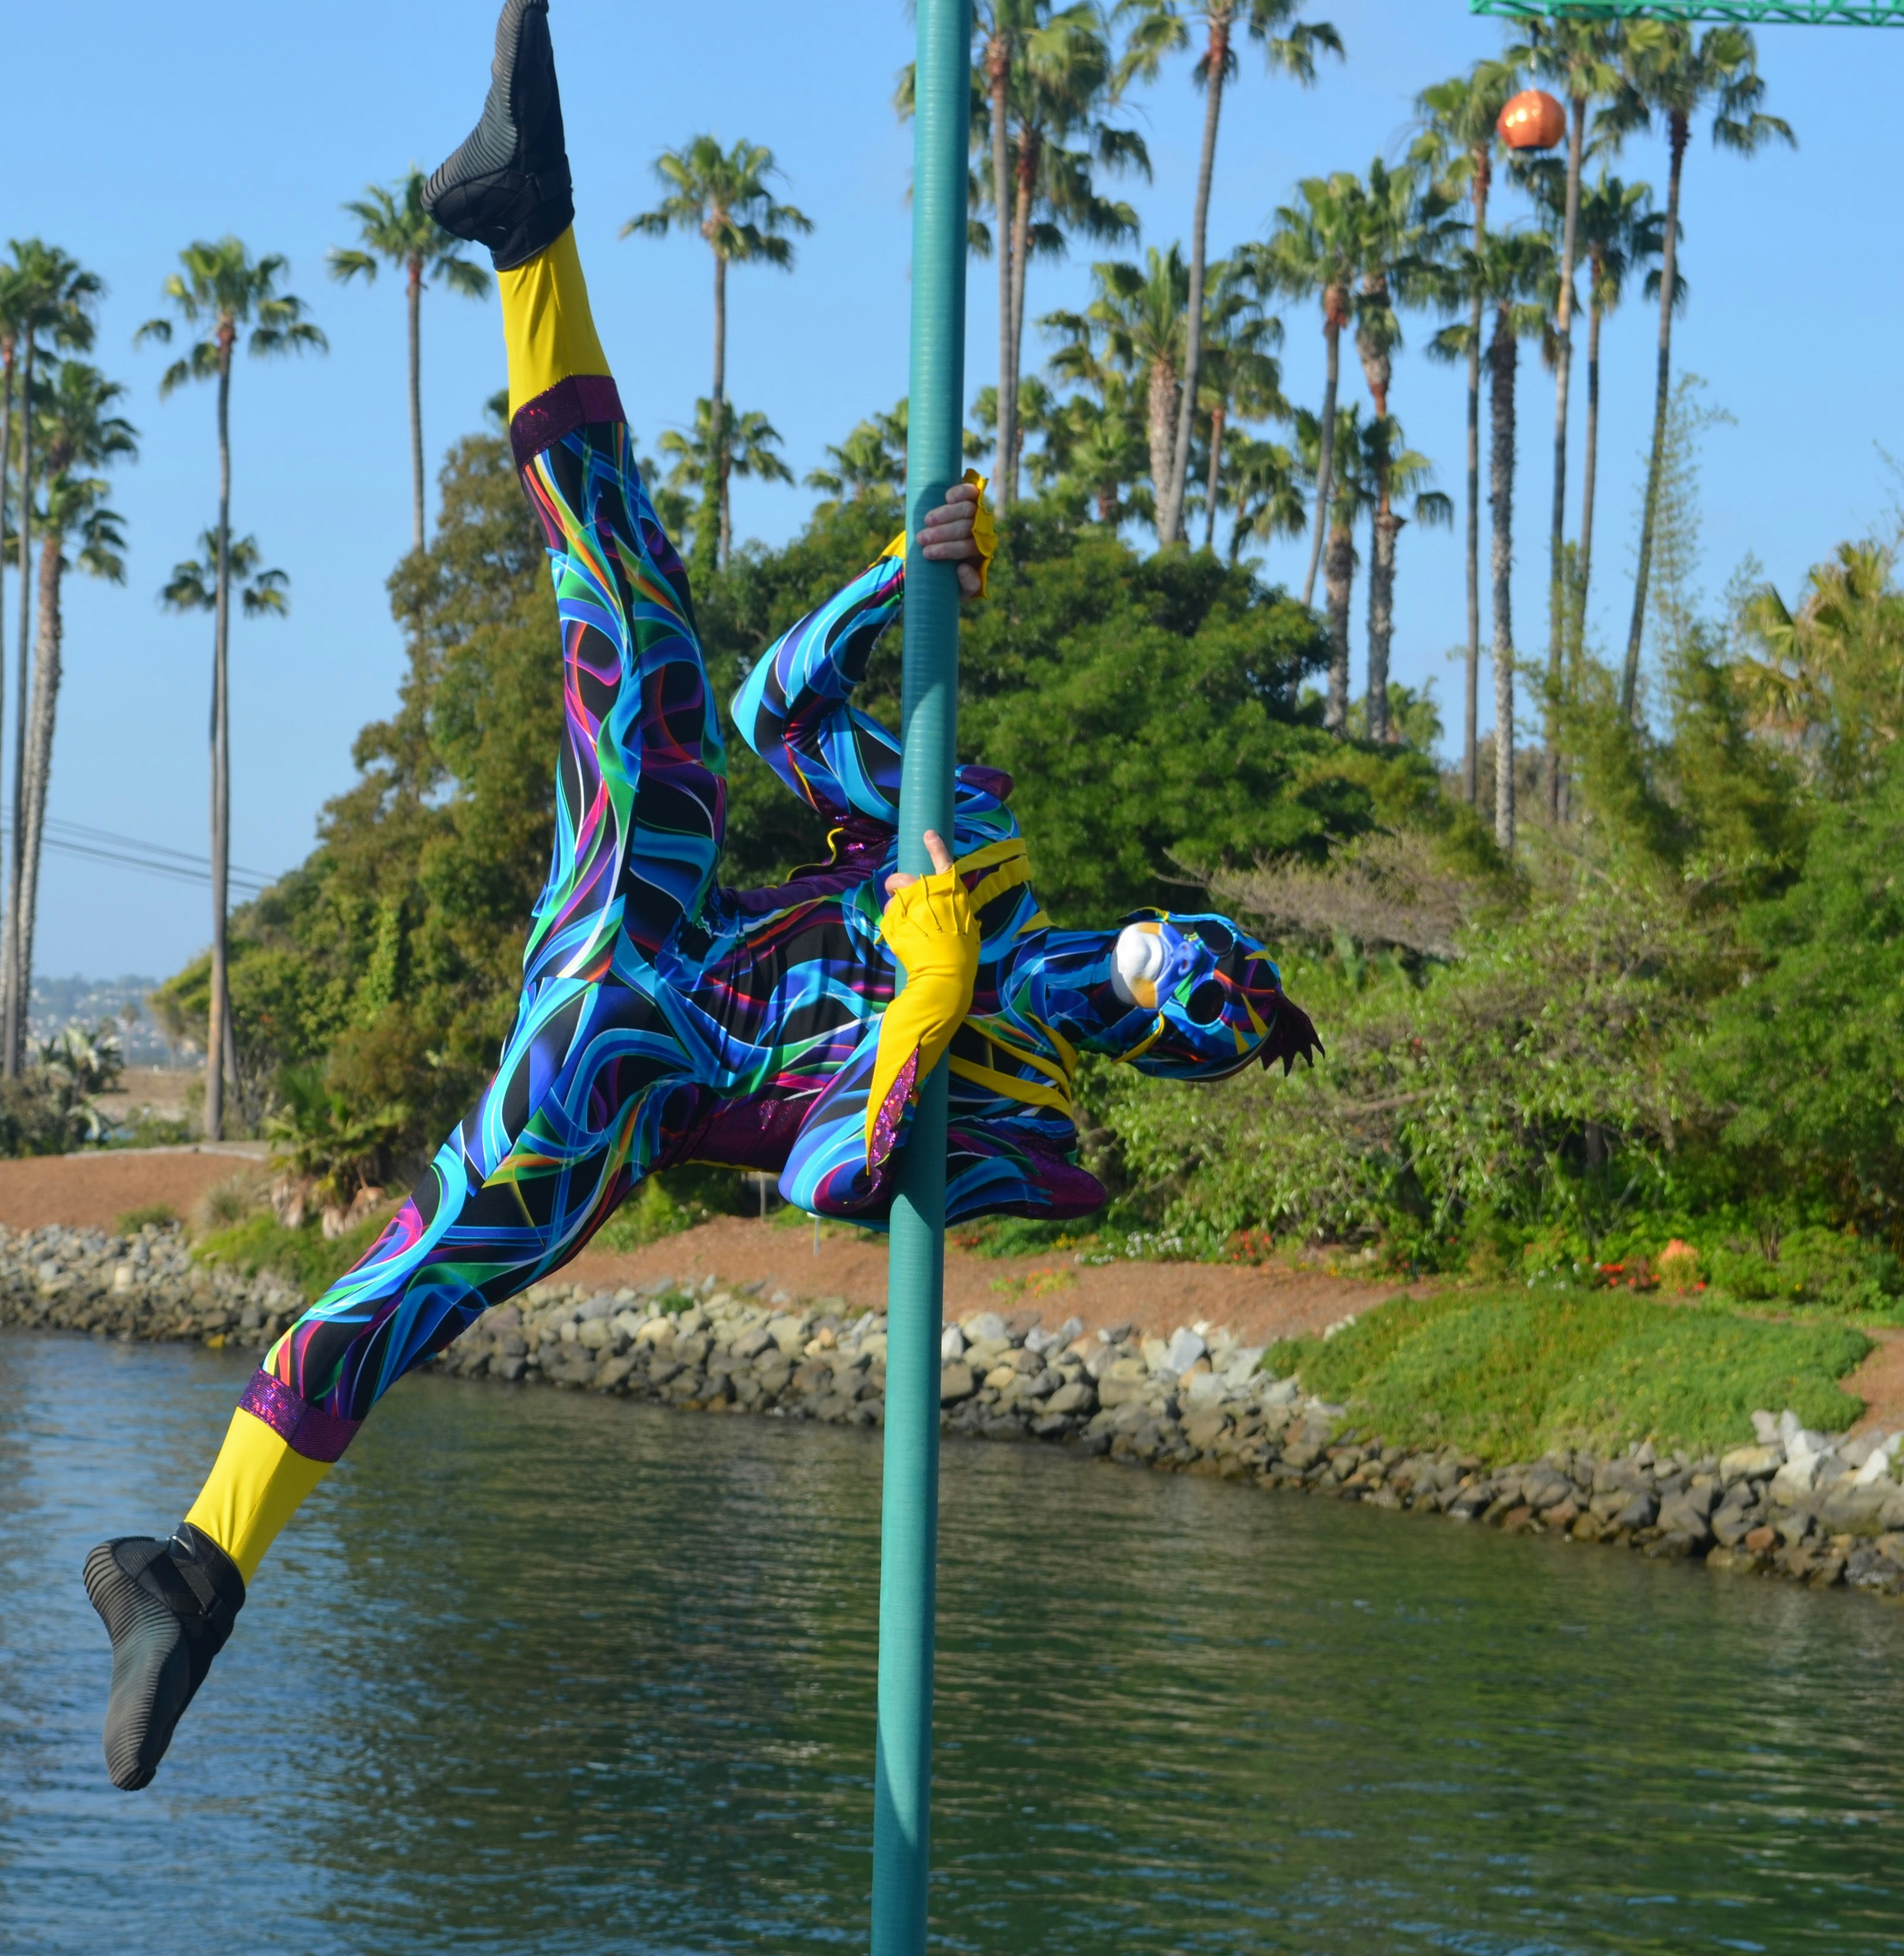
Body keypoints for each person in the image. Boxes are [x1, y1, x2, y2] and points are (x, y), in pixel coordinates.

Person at [83, 0, 1318, 1792]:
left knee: (434, 1256)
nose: (1132, 981)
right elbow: (779, 711)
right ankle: (531, 225)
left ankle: (195, 1570)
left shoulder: (1048, 1135)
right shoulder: (973, 847)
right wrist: (899, 576)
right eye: (1163, 958)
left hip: (645, 1092)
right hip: (647, 924)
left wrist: (930, 993)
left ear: (1152, 1044)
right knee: (646, 634)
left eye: (1155, 1003)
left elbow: (835, 1169)